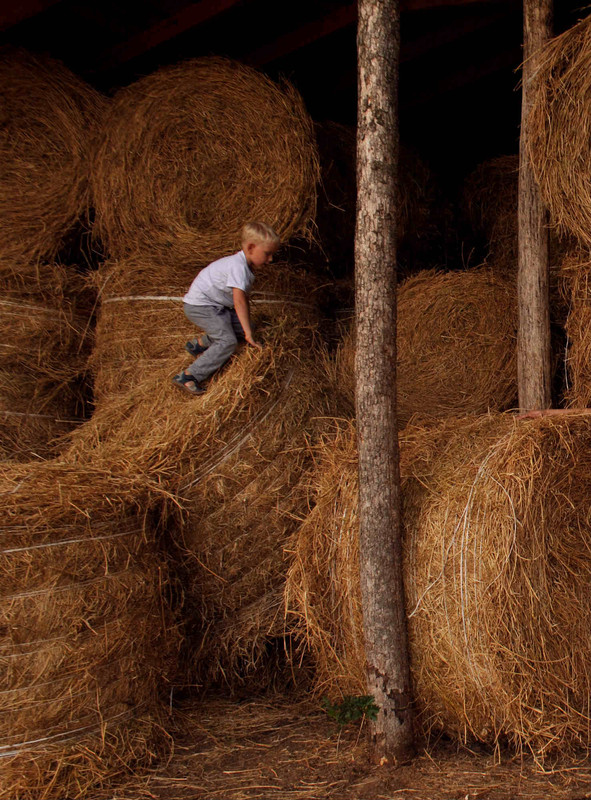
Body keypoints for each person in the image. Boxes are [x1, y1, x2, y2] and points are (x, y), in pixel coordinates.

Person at [172, 221, 280, 396]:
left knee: (246, 327)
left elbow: (241, 301)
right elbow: (239, 302)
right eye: (267, 254)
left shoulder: (242, 265)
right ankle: (188, 376)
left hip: (216, 306)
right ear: (251, 247)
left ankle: (199, 344)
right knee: (228, 341)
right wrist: (248, 335)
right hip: (201, 306)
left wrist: (247, 329)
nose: (271, 259)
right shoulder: (238, 267)